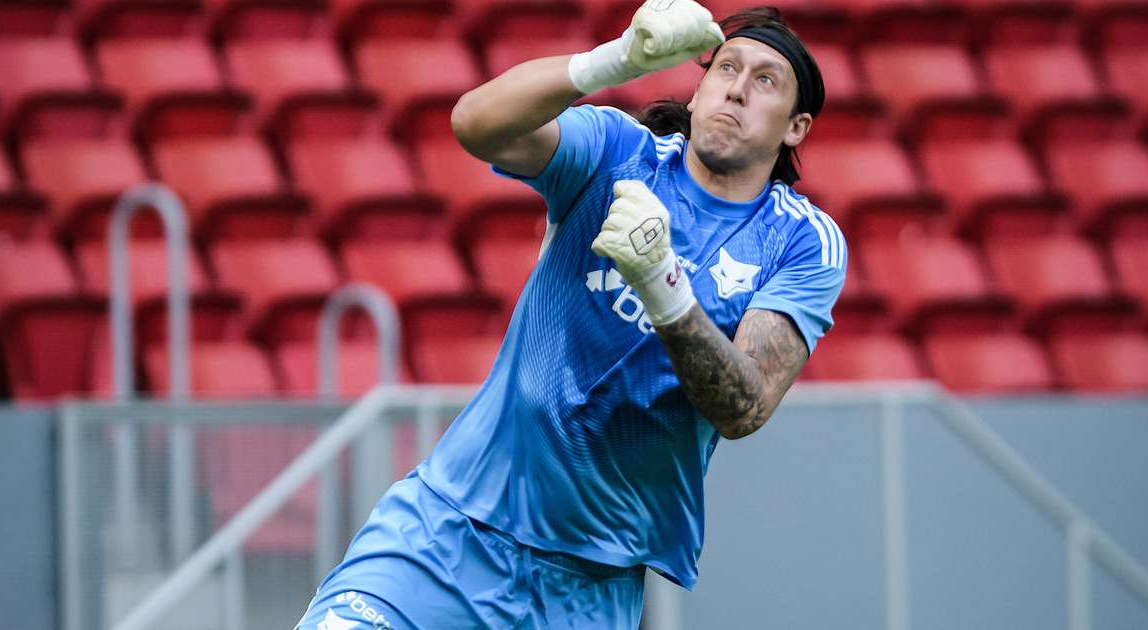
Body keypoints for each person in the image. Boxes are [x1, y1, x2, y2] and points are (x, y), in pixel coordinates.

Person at [294, 3, 845, 628]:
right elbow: (476, 124)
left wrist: (662, 285)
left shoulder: (799, 241)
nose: (738, 90)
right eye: (725, 69)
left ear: (796, 127)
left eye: (766, 80)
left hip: (586, 589)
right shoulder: (618, 151)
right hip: (445, 536)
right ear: (696, 94)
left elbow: (744, 405)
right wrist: (612, 60)